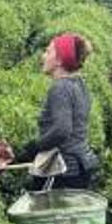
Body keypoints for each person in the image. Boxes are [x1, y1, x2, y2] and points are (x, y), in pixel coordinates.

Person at [14, 33, 99, 191]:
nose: (43, 56)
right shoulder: (79, 84)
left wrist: (32, 149)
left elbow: (61, 130)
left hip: (62, 171)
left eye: (48, 51)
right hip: (81, 166)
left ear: (59, 60)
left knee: (44, 214)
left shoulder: (60, 88)